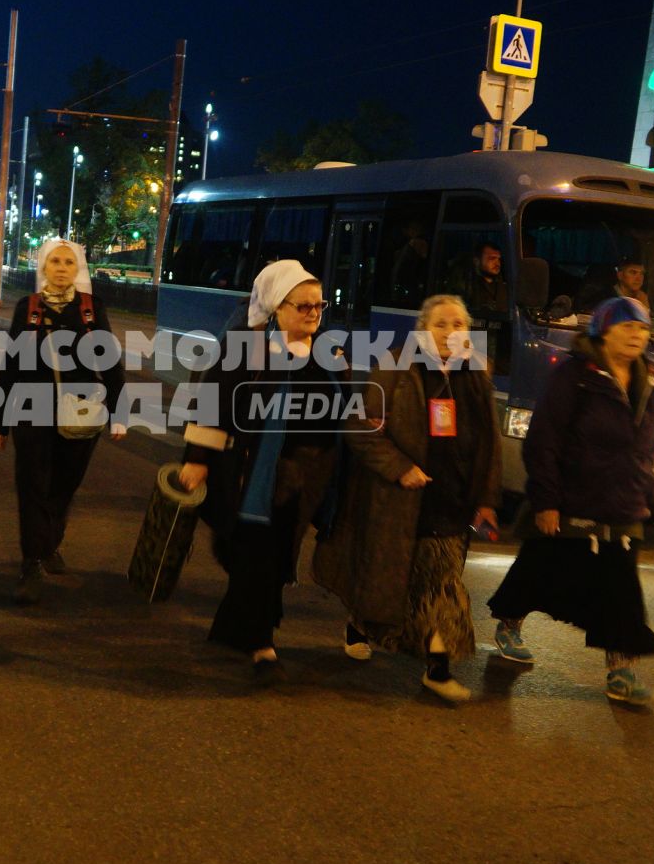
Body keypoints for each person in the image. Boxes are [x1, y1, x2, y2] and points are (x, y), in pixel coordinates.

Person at [314, 294, 500, 702]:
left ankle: (437, 668)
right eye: (441, 325)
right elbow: (361, 428)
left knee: (441, 587)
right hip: (399, 500)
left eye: (459, 325)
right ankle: (361, 623)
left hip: (451, 503)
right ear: (422, 330)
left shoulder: (475, 373)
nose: (452, 333)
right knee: (394, 580)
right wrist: (400, 468)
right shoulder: (396, 368)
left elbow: (489, 445)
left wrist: (486, 499)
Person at [487, 296, 654, 706]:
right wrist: (546, 500)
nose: (637, 335)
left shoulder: (648, 379)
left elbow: (647, 443)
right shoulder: (576, 376)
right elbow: (545, 439)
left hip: (623, 501)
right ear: (603, 331)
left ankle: (621, 672)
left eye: (642, 328)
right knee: (541, 568)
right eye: (628, 327)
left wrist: (646, 491)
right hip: (573, 496)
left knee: (621, 589)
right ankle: (509, 622)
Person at [176, 260, 341, 683]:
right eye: (302, 305)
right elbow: (211, 404)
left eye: (319, 305)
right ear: (275, 307)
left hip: (306, 479)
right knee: (257, 555)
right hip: (254, 474)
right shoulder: (245, 348)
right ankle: (262, 645)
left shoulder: (328, 353)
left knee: (278, 554)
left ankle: (235, 629)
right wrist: (197, 460)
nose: (313, 313)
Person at [0, 238, 127, 602]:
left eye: (69, 262)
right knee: (32, 485)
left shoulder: (90, 309)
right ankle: (32, 560)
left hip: (82, 411)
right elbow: (11, 364)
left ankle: (49, 543)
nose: (62, 268)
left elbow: (111, 363)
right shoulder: (29, 308)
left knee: (64, 485)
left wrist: (120, 413)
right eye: (55, 262)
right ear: (44, 268)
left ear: (78, 268)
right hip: (31, 410)